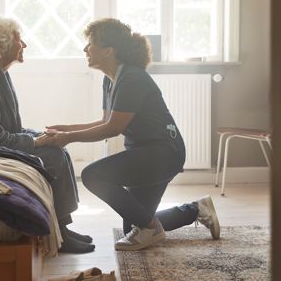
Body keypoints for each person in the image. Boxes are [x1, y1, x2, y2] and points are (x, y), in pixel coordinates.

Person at [44, 18, 220, 251]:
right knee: (134, 228)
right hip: (144, 152)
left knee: (93, 176)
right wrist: (65, 129)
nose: (85, 49)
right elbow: (106, 121)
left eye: (90, 43)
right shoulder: (110, 80)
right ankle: (196, 210)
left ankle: (151, 226)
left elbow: (112, 129)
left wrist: (68, 139)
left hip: (162, 154)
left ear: (108, 50)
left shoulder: (132, 78)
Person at [0, 18, 94, 253]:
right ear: (1, 45)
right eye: (19, 40)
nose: (24, 45)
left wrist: (44, 135)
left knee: (58, 148)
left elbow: (12, 127)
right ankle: (61, 233)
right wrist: (36, 141)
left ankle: (63, 226)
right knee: (53, 156)